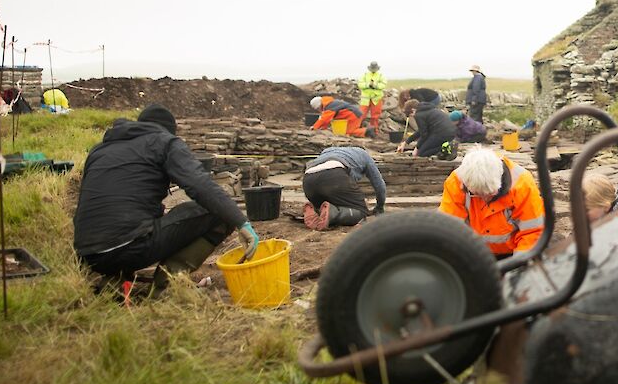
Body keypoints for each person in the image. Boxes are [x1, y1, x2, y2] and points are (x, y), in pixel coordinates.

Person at [72, 104, 258, 288]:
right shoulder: (165, 142)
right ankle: (167, 287)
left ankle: (114, 281)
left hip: (89, 254)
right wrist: (240, 221)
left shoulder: (99, 150)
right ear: (169, 131)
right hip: (129, 248)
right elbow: (200, 185)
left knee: (134, 222)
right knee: (218, 214)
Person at [439, 146, 545, 258]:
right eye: (478, 195)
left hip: (512, 254)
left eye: (490, 194)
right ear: (466, 185)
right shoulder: (455, 183)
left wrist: (519, 267)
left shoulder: (522, 184)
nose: (485, 199)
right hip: (473, 254)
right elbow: (449, 232)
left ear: (500, 180)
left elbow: (532, 233)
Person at [302, 145, 386, 230]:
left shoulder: (329, 150)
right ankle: (333, 214)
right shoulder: (364, 155)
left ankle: (316, 211)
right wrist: (380, 206)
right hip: (334, 174)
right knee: (361, 211)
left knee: (325, 205)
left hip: (308, 179)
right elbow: (379, 185)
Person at [357, 61, 387, 137]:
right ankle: (357, 129)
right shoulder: (365, 75)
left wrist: (374, 85)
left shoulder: (380, 76)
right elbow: (360, 84)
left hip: (376, 99)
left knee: (375, 116)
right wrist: (368, 85)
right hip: (365, 99)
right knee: (361, 115)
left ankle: (374, 132)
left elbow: (383, 85)